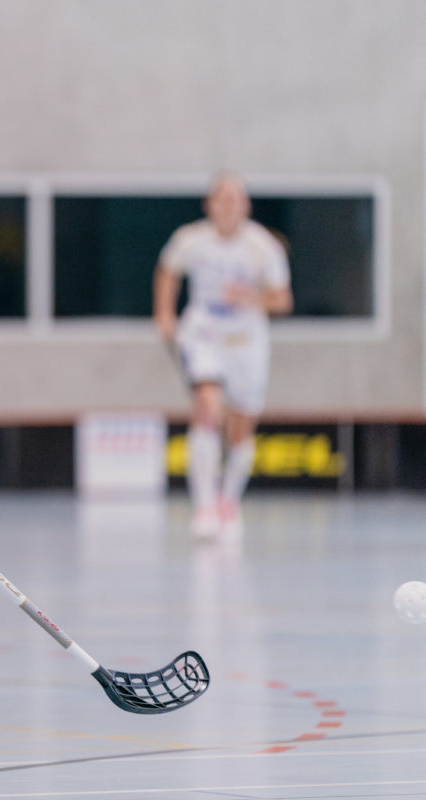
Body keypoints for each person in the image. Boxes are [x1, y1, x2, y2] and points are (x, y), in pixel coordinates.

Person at [153, 173, 292, 540]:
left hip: (247, 344)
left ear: (246, 205)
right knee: (206, 407)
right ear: (209, 204)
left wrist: (249, 299)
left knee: (240, 430)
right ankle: (204, 507)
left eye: (236, 199)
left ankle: (229, 502)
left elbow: (282, 299)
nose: (228, 206)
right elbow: (168, 270)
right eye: (222, 198)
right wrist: (165, 314)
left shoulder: (263, 246)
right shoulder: (190, 239)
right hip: (204, 336)